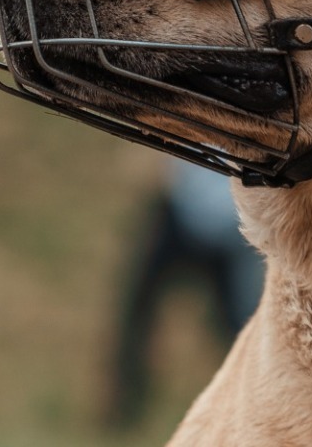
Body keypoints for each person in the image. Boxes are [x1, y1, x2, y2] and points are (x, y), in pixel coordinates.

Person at [105, 158, 264, 430]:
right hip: (181, 209)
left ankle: (251, 409)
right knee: (138, 310)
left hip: (229, 231)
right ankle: (123, 403)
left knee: (238, 329)